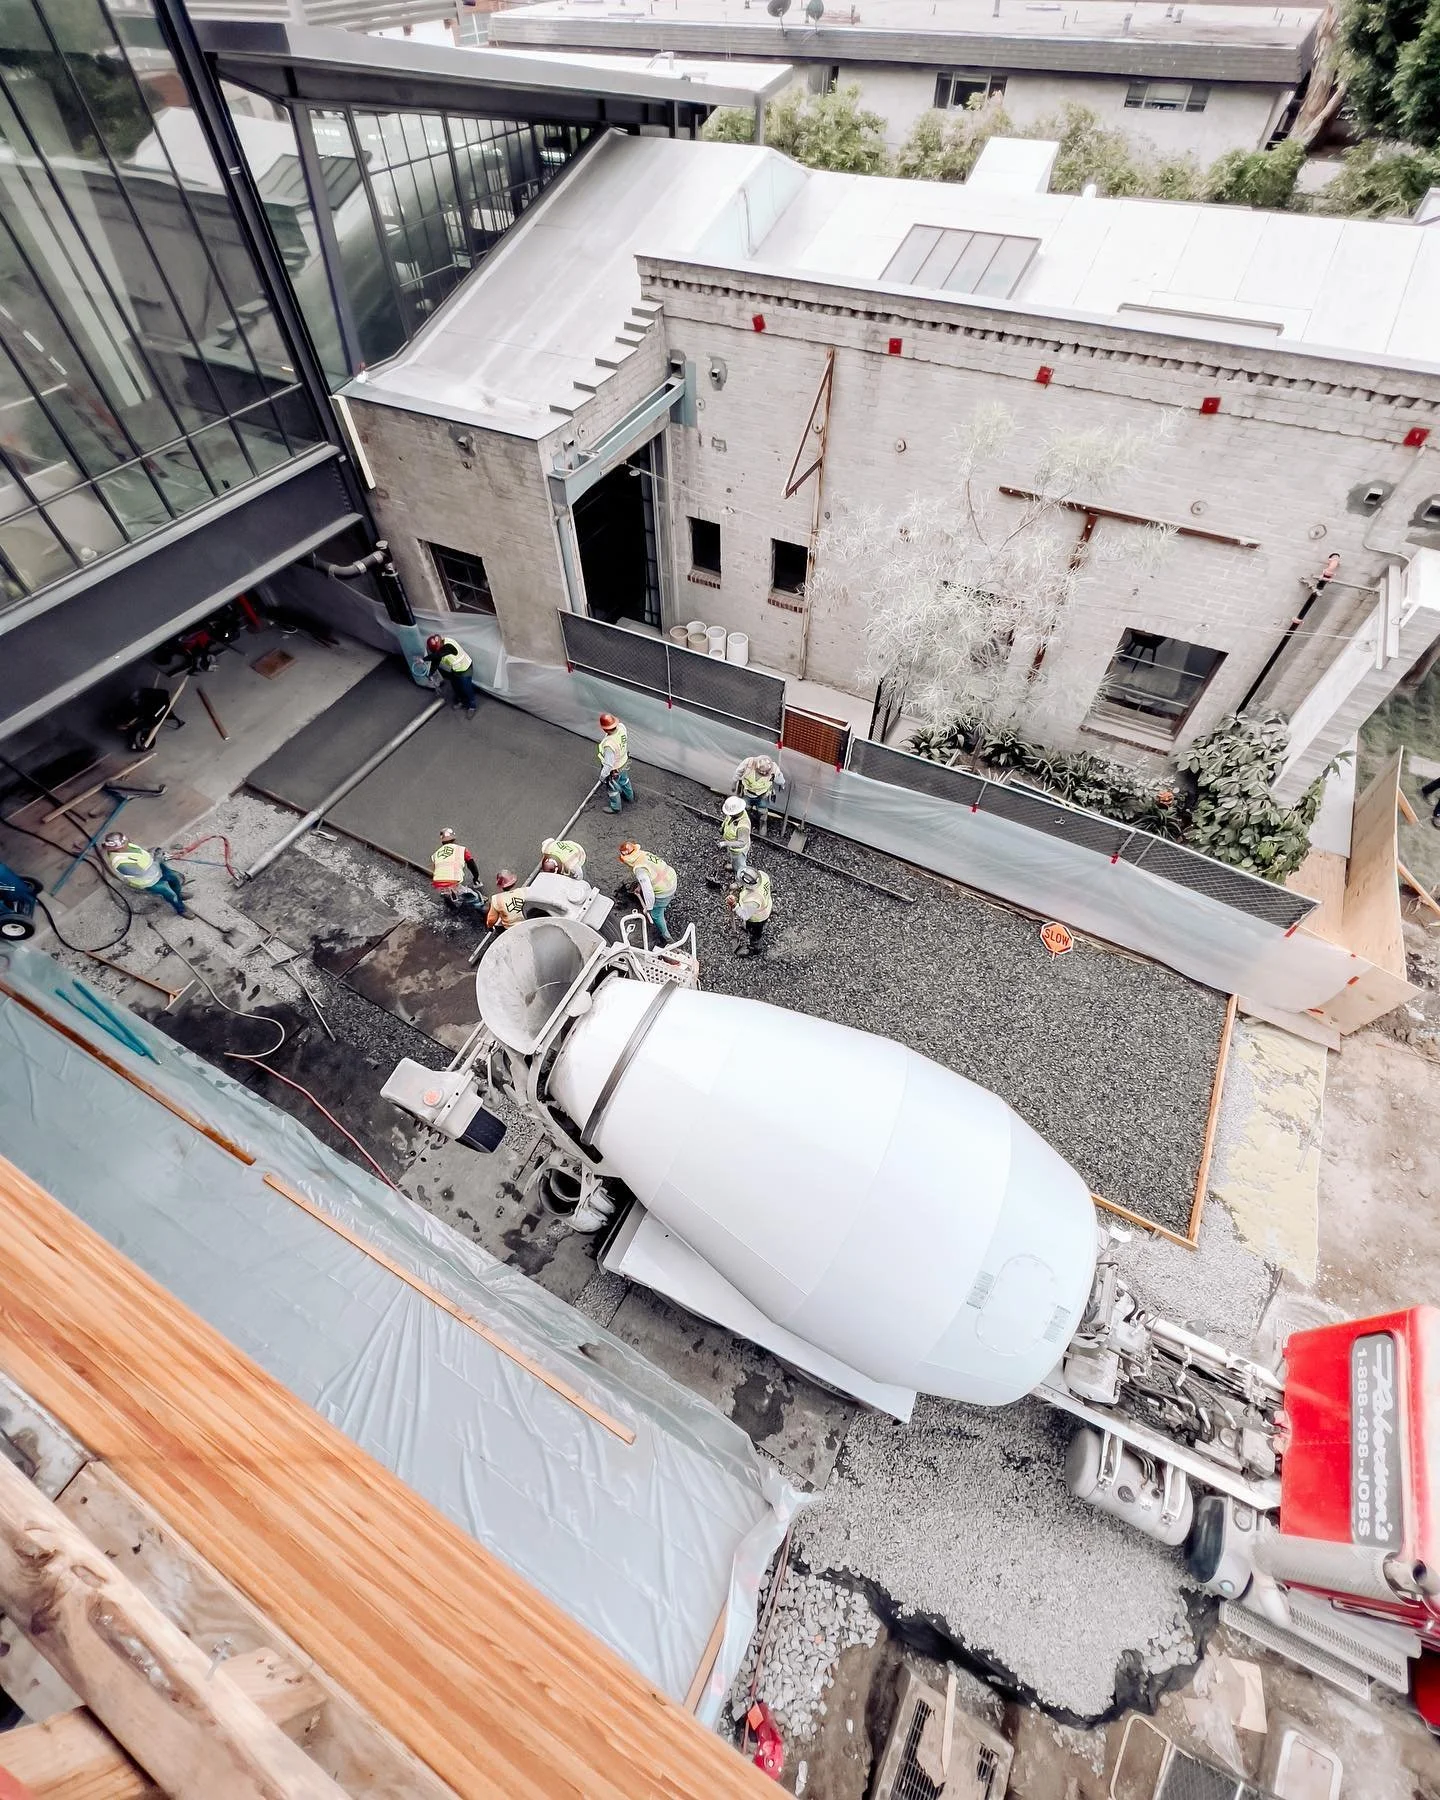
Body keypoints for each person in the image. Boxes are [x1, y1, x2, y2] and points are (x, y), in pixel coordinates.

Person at [100, 832, 189, 916]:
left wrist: (156, 853)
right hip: (150, 880)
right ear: (117, 849)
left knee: (174, 879)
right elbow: (141, 872)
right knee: (170, 894)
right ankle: (181, 910)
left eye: (126, 841)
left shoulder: (128, 846)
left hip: (158, 868)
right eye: (124, 844)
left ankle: (178, 894)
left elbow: (143, 853)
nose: (127, 843)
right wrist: (157, 859)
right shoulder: (121, 863)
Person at [618, 841, 677, 943]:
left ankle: (667, 938)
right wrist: (640, 886)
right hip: (671, 878)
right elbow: (650, 871)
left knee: (656, 914)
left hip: (664, 891)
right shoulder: (643, 855)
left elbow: (648, 891)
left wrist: (649, 908)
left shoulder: (639, 870)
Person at [430, 827, 483, 909]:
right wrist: (476, 879)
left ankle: (449, 898)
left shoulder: (435, 855)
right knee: (476, 898)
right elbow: (472, 866)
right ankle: (476, 904)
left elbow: (436, 871)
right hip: (453, 882)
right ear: (454, 839)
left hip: (438, 884)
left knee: (449, 894)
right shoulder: (462, 850)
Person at [424, 634, 478, 714]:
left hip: (465, 668)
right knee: (456, 686)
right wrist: (430, 674)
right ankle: (461, 701)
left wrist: (423, 659)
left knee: (466, 688)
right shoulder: (439, 651)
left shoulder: (449, 645)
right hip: (456, 669)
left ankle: (472, 706)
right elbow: (435, 662)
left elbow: (438, 655)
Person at [728, 866, 773, 959]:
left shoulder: (753, 899)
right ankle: (750, 930)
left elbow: (744, 915)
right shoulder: (763, 875)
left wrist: (734, 905)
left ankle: (755, 948)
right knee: (750, 927)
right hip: (767, 905)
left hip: (758, 918)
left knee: (755, 933)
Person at [733, 754, 786, 832]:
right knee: (746, 808)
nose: (764, 774)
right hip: (748, 792)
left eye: (766, 773)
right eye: (762, 773)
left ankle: (763, 823)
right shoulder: (748, 763)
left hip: (763, 794)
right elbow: (738, 773)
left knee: (762, 810)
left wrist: (782, 784)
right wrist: (734, 783)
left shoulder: (774, 769)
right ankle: (747, 823)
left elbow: (779, 778)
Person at [597, 713, 634, 814]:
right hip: (624, 763)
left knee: (612, 789)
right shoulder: (622, 728)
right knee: (625, 781)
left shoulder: (609, 745)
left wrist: (602, 776)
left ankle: (616, 808)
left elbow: (608, 764)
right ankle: (629, 797)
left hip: (614, 770)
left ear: (605, 729)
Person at [719, 795, 751, 881]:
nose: (728, 814)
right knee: (733, 859)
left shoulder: (743, 826)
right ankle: (734, 865)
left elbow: (741, 842)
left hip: (739, 851)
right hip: (732, 847)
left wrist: (726, 843)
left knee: (740, 866)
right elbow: (727, 821)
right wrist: (722, 828)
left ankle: (739, 881)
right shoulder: (733, 815)